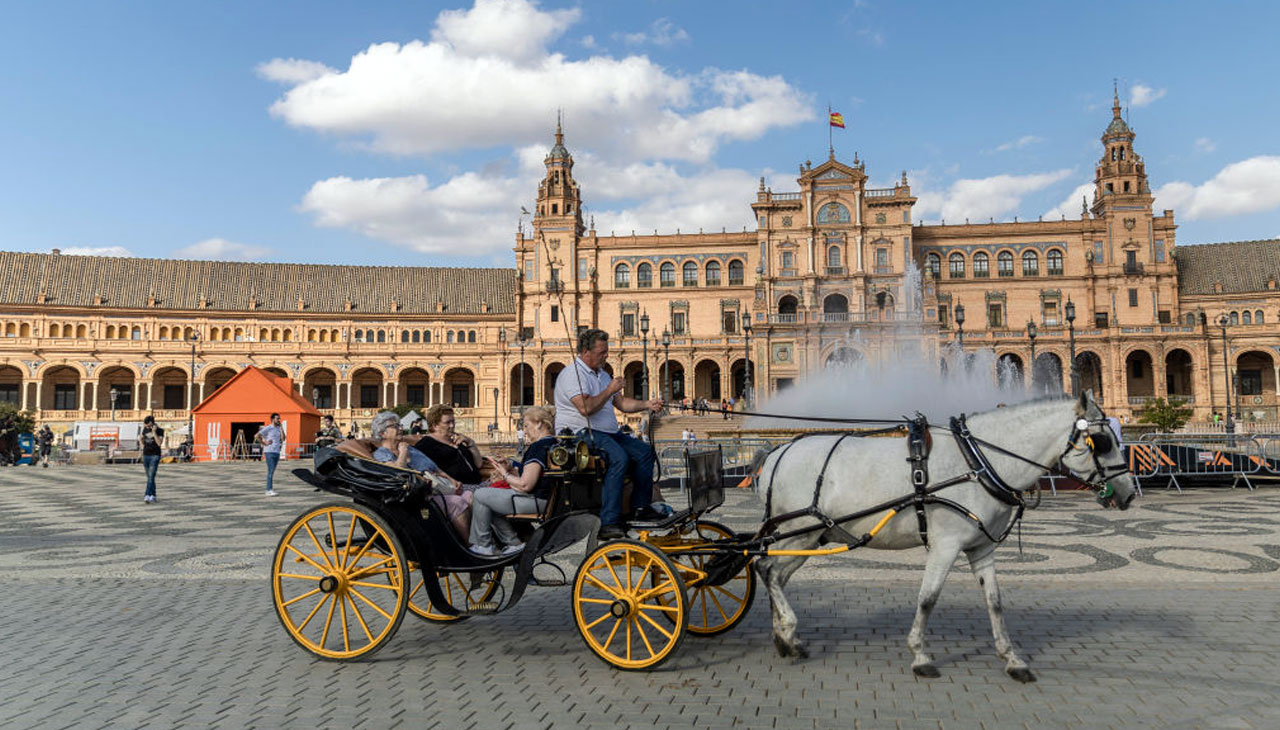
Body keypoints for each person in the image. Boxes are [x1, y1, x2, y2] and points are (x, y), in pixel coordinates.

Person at [554, 328, 664, 540]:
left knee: (644, 452)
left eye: (607, 351)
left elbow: (621, 403)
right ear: (586, 352)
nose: (606, 356)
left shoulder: (602, 375)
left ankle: (640, 508)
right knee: (618, 457)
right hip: (580, 433)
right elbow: (586, 408)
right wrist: (609, 389)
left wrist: (647, 404)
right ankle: (609, 521)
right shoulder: (572, 375)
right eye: (602, 352)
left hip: (607, 432)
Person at [340, 411, 471, 541]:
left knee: (471, 497)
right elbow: (398, 473)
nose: (400, 428)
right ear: (382, 433)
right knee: (457, 503)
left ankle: (480, 543)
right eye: (395, 426)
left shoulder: (411, 449)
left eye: (400, 425)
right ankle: (469, 546)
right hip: (417, 498)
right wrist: (402, 453)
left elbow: (434, 467)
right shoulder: (382, 454)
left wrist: (452, 480)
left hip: (439, 487)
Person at [471, 406, 557, 556]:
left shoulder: (538, 447)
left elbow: (525, 484)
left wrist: (504, 474)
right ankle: (514, 544)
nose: (524, 431)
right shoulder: (553, 443)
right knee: (490, 506)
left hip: (535, 501)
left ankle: (483, 545)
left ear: (539, 424)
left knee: (480, 495)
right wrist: (511, 468)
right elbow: (536, 475)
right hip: (548, 500)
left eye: (526, 425)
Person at [414, 405, 487, 484]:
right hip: (458, 490)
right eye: (447, 423)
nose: (452, 426)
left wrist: (470, 442)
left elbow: (478, 464)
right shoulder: (425, 445)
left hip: (478, 484)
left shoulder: (457, 441)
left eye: (453, 421)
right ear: (435, 426)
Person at [257, 413, 285, 496]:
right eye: (277, 419)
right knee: (270, 470)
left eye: (279, 419)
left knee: (272, 471)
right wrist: (263, 443)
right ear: (272, 419)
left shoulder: (277, 428)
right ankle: (268, 489)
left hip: (276, 451)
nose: (279, 420)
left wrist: (281, 428)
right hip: (269, 451)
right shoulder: (268, 428)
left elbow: (283, 439)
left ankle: (270, 489)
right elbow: (257, 435)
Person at [140, 416, 165, 503]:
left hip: (155, 455)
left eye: (148, 425)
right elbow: (143, 444)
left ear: (152, 423)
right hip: (146, 454)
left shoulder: (160, 430)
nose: (147, 427)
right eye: (146, 425)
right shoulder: (145, 430)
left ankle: (147, 494)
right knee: (150, 477)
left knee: (151, 476)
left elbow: (159, 443)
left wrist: (154, 432)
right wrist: (141, 440)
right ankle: (153, 495)